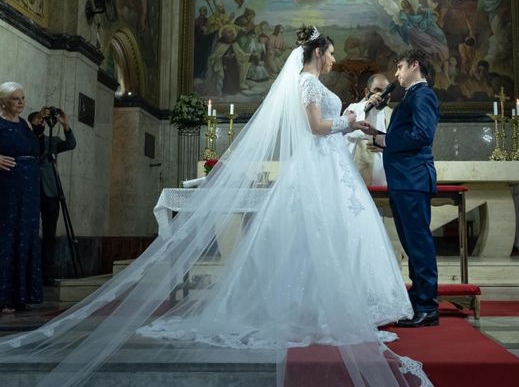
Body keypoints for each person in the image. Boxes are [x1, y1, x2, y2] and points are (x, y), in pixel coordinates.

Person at [0, 32, 432, 387]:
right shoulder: (305, 82)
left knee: (336, 235)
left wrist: (350, 124)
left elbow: (322, 130)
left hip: (329, 168)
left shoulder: (313, 83)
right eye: (333, 52)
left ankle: (348, 302)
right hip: (320, 167)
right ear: (318, 52)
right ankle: (317, 306)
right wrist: (350, 123)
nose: (335, 59)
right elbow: (317, 127)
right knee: (319, 235)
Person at [372, 50, 440, 327]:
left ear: (415, 66)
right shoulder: (412, 96)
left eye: (400, 67)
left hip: (412, 180)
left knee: (418, 243)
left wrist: (386, 141)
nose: (397, 74)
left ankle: (427, 306)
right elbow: (408, 135)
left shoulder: (423, 95)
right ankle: (419, 300)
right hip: (404, 180)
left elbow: (424, 135)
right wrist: (376, 136)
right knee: (412, 244)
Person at [0, 82, 42, 314]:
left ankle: (21, 294)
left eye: (23, 98)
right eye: (16, 98)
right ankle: (3, 296)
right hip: (7, 188)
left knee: (26, 235)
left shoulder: (25, 123)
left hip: (29, 190)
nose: (21, 102)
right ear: (3, 101)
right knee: (7, 235)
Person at [28, 108, 77, 286]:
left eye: (43, 121)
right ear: (31, 123)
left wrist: (65, 124)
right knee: (30, 232)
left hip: (51, 192)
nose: (41, 124)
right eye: (38, 121)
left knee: (49, 234)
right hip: (31, 191)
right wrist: (40, 114)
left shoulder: (52, 141)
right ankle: (30, 273)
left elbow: (71, 144)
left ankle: (47, 275)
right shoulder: (26, 139)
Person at [344, 73, 393, 186]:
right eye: (377, 90)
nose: (381, 95)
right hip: (356, 174)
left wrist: (385, 147)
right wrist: (368, 107)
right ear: (367, 92)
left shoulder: (391, 114)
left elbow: (395, 143)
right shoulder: (353, 108)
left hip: (383, 177)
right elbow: (348, 133)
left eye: (386, 91)